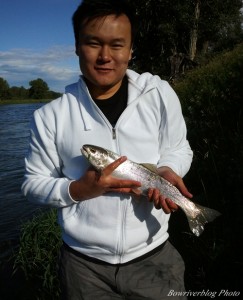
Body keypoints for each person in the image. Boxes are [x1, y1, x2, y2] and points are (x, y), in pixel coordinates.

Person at [22, 0, 193, 299]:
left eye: (117, 45)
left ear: (130, 50)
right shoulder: (50, 116)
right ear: (77, 46)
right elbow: (32, 185)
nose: (105, 57)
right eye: (93, 43)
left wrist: (169, 169)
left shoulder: (159, 94)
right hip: (83, 267)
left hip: (154, 257)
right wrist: (78, 189)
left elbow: (179, 148)